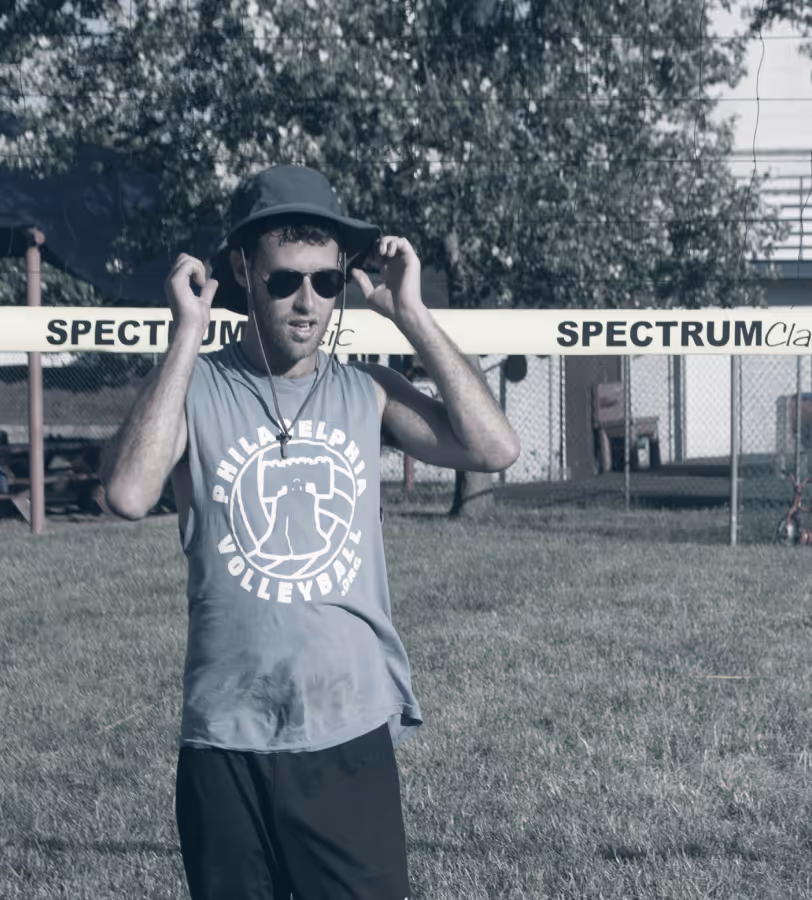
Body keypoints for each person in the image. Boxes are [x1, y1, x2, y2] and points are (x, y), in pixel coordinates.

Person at [102, 164, 520, 900]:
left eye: (326, 284)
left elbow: (494, 448)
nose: (307, 303)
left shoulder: (366, 390)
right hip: (224, 739)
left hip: (346, 736)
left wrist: (411, 315)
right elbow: (130, 493)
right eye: (284, 281)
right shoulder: (196, 388)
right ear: (242, 270)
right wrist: (185, 337)